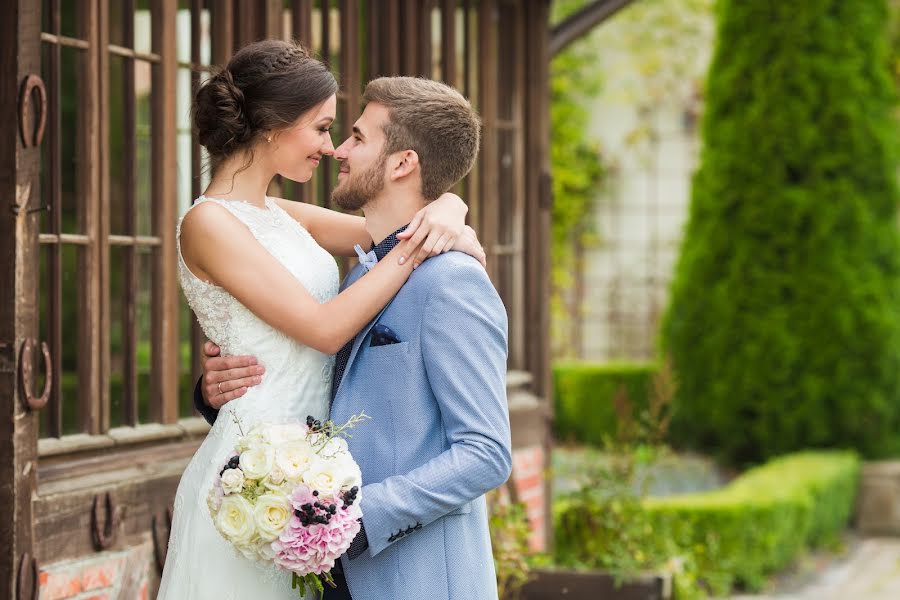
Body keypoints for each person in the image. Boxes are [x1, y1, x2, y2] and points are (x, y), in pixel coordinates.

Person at [157, 40, 485, 599]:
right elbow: (325, 326)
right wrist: (419, 242)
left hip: (313, 478)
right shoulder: (207, 223)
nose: (331, 148)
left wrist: (449, 207)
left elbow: (384, 229)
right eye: (322, 128)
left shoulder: (279, 214)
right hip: (256, 477)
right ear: (272, 126)